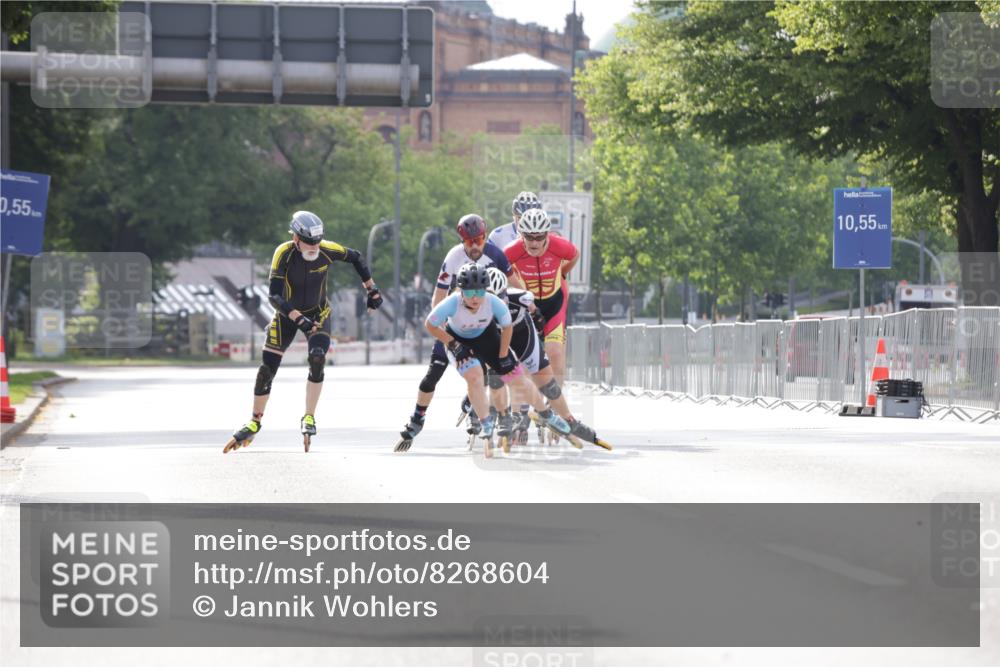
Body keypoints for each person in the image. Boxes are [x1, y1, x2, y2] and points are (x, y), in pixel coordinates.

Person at [224, 211, 382, 453]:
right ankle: (254, 422)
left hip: (319, 314)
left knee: (317, 358)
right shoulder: (284, 253)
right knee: (267, 369)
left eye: (317, 241)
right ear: (295, 238)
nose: (314, 246)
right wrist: (298, 318)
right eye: (308, 241)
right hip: (287, 315)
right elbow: (274, 296)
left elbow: (357, 258)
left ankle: (309, 417)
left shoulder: (327, 249)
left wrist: (372, 290)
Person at [395, 214, 520, 450]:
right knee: (433, 374)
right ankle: (417, 419)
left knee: (491, 370)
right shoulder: (454, 257)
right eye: (469, 241)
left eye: (479, 240)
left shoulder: (495, 254)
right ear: (462, 240)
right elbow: (439, 294)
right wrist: (444, 334)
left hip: (487, 319)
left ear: (485, 237)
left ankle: (487, 412)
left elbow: (516, 284)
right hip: (456, 321)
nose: (475, 246)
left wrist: (528, 300)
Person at [420, 263, 572, 453]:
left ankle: (547, 414)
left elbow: (507, 327)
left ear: (486, 290)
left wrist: (503, 356)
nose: (475, 298)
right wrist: (452, 344)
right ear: (460, 291)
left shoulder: (493, 302)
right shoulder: (451, 303)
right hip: (459, 342)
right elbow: (430, 325)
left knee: (516, 379)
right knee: (475, 377)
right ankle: (485, 422)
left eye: (479, 292)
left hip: (487, 338)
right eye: (469, 293)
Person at [484, 267, 609, 450]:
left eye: (500, 297)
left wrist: (538, 319)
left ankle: (569, 420)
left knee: (548, 385)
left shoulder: (521, 297)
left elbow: (535, 312)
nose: (496, 303)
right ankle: (506, 415)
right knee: (498, 379)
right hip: (499, 338)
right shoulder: (475, 306)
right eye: (490, 298)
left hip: (523, 335)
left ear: (505, 292)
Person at [503, 207, 578, 388]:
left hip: (555, 304)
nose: (534, 243)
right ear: (521, 234)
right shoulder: (510, 251)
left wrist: (562, 273)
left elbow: (575, 255)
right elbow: (499, 272)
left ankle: (555, 406)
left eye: (539, 237)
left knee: (555, 353)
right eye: (529, 237)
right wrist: (519, 290)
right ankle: (528, 406)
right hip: (528, 305)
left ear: (547, 235)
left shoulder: (560, 246)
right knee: (527, 359)